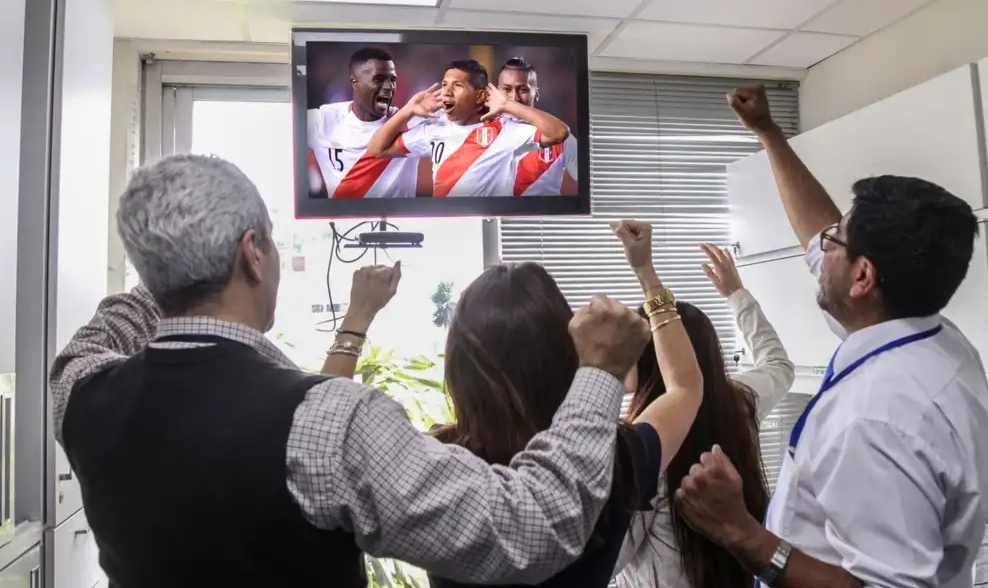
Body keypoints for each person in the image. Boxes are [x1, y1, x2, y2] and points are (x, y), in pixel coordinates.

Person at [49, 153, 655, 586]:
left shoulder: (79, 390)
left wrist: (173, 256)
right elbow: (529, 529)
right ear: (253, 255)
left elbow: (120, 318)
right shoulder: (333, 421)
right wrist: (599, 372)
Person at [673, 86, 988, 588]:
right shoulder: (928, 336)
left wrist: (741, 533)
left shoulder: (875, 419)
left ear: (862, 277)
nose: (821, 246)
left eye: (834, 241)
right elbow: (816, 230)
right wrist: (768, 134)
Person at [426, 220, 704, 588]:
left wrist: (355, 326)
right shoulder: (615, 458)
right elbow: (685, 386)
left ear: (458, 368)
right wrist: (645, 273)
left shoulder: (434, 465)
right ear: (566, 351)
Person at [613, 242, 794, 588]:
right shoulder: (741, 400)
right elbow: (778, 365)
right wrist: (736, 294)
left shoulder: (647, 449)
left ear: (651, 357)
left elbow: (604, 560)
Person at [366, 59, 570, 197]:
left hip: (485, 219)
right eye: (445, 84)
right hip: (443, 223)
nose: (446, 91)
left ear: (480, 96)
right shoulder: (433, 127)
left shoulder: (505, 130)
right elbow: (377, 149)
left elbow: (559, 132)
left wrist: (508, 105)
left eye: (457, 86)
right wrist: (407, 111)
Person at [306, 46, 422, 199]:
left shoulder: (412, 123)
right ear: (355, 82)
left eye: (392, 80)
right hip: (342, 220)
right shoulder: (323, 120)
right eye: (379, 79)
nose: (389, 87)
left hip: (401, 221)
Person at [496, 56, 578, 196]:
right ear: (497, 93)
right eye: (507, 89)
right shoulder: (478, 134)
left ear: (536, 94)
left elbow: (589, 191)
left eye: (522, 90)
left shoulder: (562, 139)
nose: (514, 98)